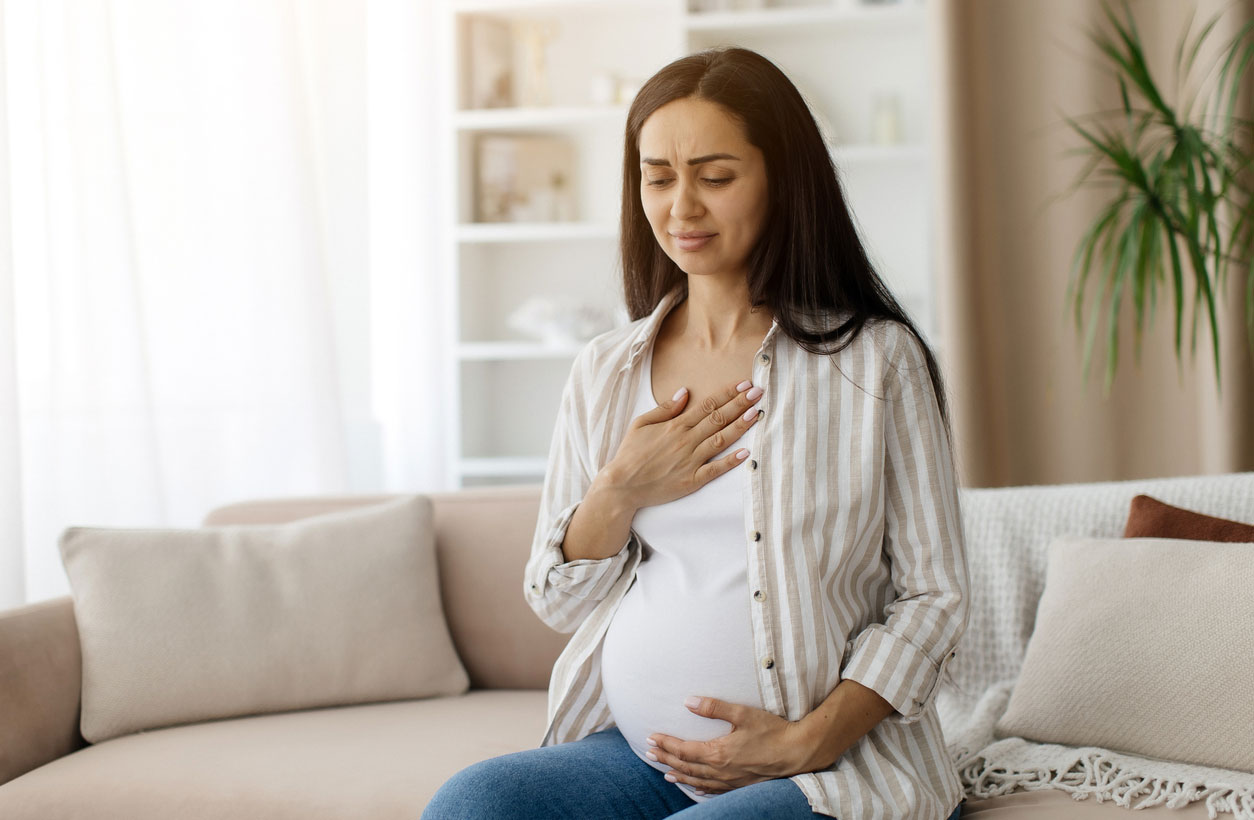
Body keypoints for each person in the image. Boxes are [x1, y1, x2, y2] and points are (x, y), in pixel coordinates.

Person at [423, 46, 969, 820]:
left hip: (824, 772)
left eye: (715, 177)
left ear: (782, 179)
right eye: (658, 177)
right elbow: (558, 599)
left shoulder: (875, 362)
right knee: (472, 804)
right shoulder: (606, 371)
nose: (682, 207)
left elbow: (934, 595)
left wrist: (805, 741)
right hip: (640, 760)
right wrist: (619, 488)